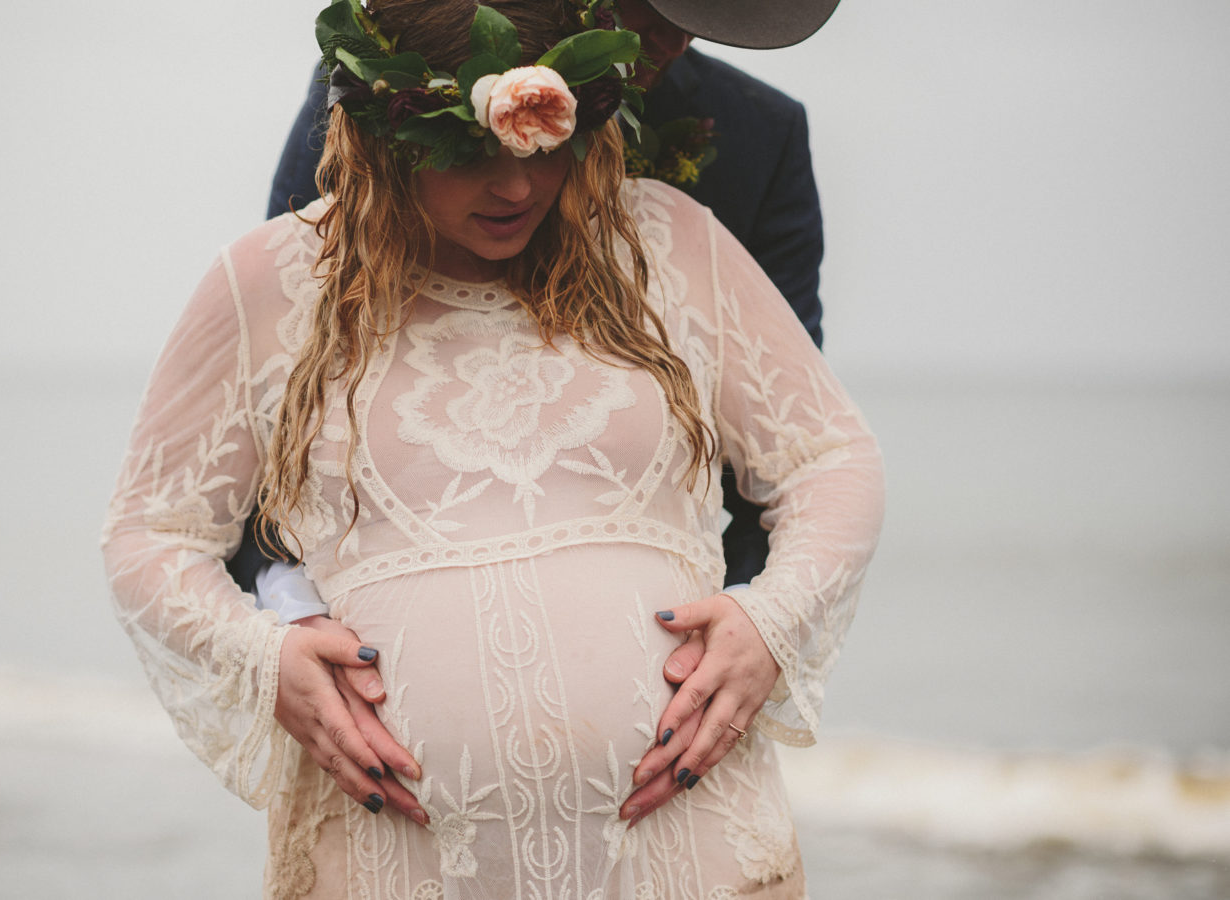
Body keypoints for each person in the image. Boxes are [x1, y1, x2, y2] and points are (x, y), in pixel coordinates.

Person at [102, 1, 883, 897]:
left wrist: (767, 623)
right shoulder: (272, 275)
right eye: (470, 152)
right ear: (386, 138)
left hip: (683, 837)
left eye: (543, 147)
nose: (514, 186)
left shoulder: (674, 235)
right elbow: (158, 527)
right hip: (395, 848)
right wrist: (267, 647)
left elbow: (824, 457)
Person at [257, 0, 837, 591]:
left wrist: (748, 618)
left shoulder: (760, 134)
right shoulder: (396, 82)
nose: (674, 42)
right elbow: (284, 345)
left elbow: (789, 430)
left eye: (694, 20)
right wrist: (289, 602)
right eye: (647, 7)